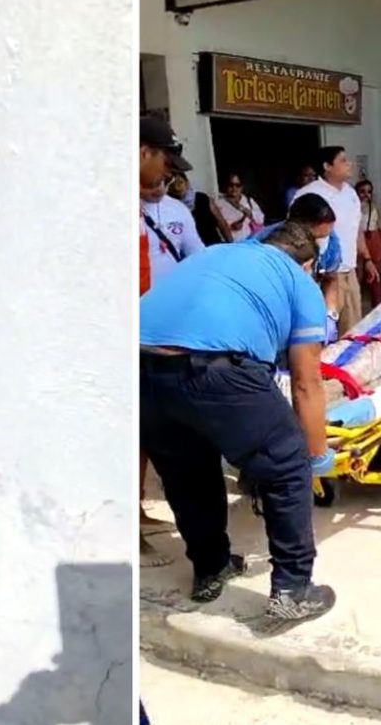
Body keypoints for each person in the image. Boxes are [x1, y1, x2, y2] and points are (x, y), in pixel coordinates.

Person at [138, 218, 336, 622]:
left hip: (139, 368)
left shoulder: (213, 253)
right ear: (307, 264)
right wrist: (314, 457)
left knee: (187, 472)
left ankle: (211, 568)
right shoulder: (300, 283)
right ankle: (292, 590)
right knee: (286, 464)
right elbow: (306, 382)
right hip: (216, 370)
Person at [138, 115, 193, 567]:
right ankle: (122, 525)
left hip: (163, 332)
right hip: (130, 333)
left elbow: (196, 260)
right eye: (164, 164)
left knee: (152, 427)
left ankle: (134, 509)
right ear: (142, 153)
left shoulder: (176, 213)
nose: (167, 177)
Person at [294, 147, 377, 334]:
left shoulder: (350, 193)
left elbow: (356, 230)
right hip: (323, 275)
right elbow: (296, 234)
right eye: (343, 160)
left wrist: (368, 259)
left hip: (349, 270)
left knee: (353, 329)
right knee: (324, 330)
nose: (349, 164)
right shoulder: (309, 195)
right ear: (327, 166)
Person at [169, 172, 230, 246]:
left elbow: (221, 222)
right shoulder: (172, 206)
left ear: (187, 183)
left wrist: (231, 245)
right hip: (194, 252)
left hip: (214, 246)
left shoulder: (203, 198)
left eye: (180, 182)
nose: (177, 187)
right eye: (173, 185)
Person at [355, 179, 381, 305]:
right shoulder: (353, 207)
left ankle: (377, 302)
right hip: (359, 239)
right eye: (362, 192)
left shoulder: (375, 207)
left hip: (374, 238)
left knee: (376, 272)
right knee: (359, 272)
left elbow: (380, 227)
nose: (366, 195)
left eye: (369, 192)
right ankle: (357, 301)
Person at [215, 173, 265, 242]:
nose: (234, 188)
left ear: (242, 187)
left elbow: (261, 219)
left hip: (251, 240)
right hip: (232, 243)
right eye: (231, 185)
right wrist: (230, 227)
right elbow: (216, 226)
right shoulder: (218, 203)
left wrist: (246, 211)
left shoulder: (248, 200)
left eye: (238, 185)